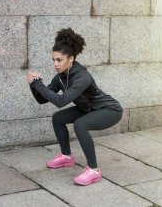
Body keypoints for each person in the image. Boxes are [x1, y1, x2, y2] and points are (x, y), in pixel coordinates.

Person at [26, 27, 123, 186]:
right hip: (88, 109)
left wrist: (38, 84)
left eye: (59, 60)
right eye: (54, 60)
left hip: (109, 110)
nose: (55, 64)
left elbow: (60, 101)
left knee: (81, 125)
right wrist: (34, 84)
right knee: (58, 118)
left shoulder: (82, 76)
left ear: (71, 59)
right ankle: (66, 157)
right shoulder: (61, 77)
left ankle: (93, 170)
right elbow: (42, 100)